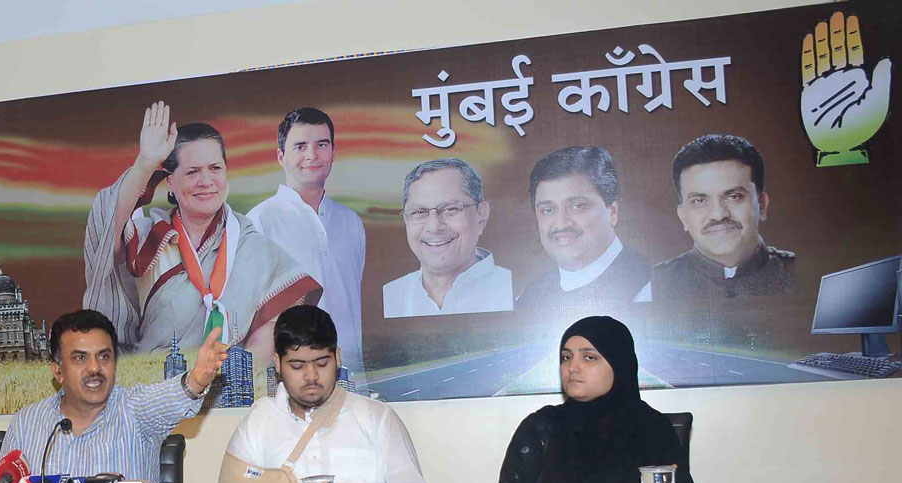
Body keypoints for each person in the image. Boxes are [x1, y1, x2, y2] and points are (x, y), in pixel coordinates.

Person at [83, 101, 320, 363]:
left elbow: (277, 320)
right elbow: (103, 230)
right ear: (170, 182)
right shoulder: (150, 238)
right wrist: (145, 164)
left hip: (228, 391)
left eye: (215, 168)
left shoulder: (250, 245)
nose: (206, 181)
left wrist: (237, 383)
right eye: (193, 171)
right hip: (154, 388)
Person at [1, 309, 226, 483]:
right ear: (58, 371)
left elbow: (170, 397)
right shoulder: (26, 423)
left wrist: (197, 379)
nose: (94, 368)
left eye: (104, 356)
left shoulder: (135, 410)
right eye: (80, 358)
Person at [223, 305, 431, 483]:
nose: (311, 376)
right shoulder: (258, 422)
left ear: (337, 358)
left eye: (322, 363)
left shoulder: (377, 418)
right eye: (297, 366)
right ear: (278, 364)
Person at [495, 315, 693, 483]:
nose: (572, 367)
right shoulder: (540, 428)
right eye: (566, 357)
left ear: (619, 364)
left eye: (589, 357)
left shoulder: (653, 428)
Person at [248, 107, 366, 378]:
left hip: (351, 379)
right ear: (281, 157)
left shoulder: (351, 222)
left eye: (321, 145)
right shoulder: (259, 222)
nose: (312, 155)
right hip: (291, 384)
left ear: (333, 152)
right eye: (300, 146)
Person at [651, 134, 795, 300]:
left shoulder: (799, 271)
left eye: (733, 196)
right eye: (700, 201)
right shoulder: (653, 284)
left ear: (762, 205)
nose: (718, 215)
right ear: (683, 216)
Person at [515, 146, 652, 311]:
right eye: (548, 210)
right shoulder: (528, 299)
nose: (561, 223)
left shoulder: (650, 286)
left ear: (612, 212)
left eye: (577, 206)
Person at [382, 158, 512, 318]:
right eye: (418, 212)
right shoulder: (389, 298)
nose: (434, 227)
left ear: (481, 215)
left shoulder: (516, 291)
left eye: (450, 209)